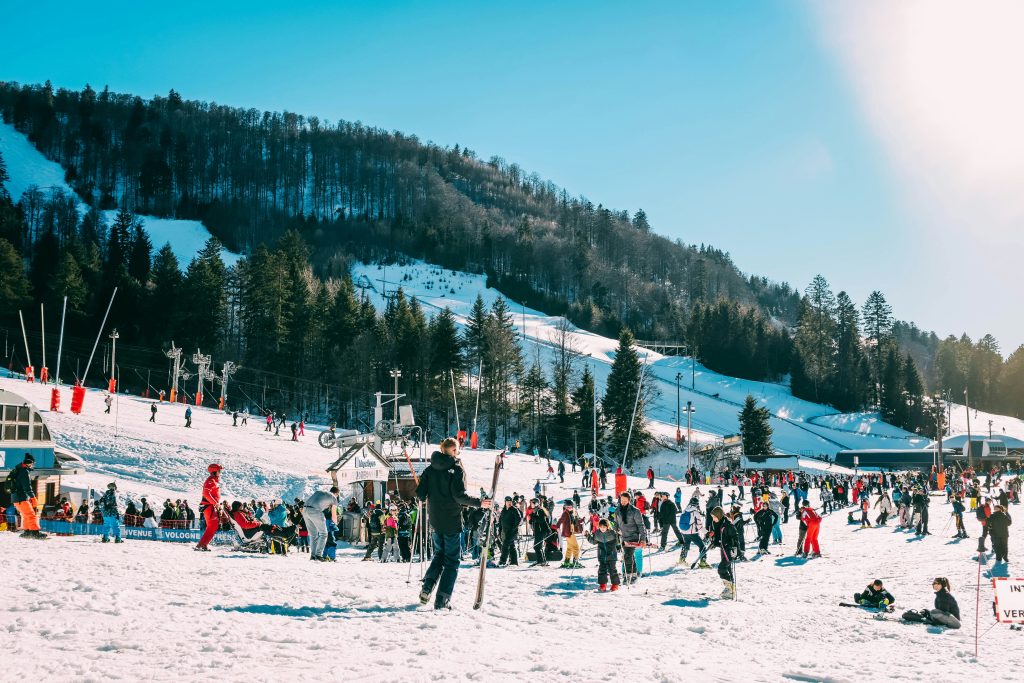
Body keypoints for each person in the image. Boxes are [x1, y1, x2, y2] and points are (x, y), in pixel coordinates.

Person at [416, 438, 491, 610]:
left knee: (439, 555)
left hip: (435, 519)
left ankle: (427, 587)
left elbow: (420, 493)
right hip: (451, 519)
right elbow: (459, 496)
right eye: (458, 448)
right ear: (453, 450)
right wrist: (480, 503)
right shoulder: (456, 469)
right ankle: (442, 600)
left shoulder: (429, 469)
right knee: (451, 561)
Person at [614, 491, 647, 584]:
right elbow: (616, 523)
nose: (623, 502)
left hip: (633, 536)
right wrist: (616, 530)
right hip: (623, 537)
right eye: (621, 500)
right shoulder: (617, 510)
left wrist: (643, 539)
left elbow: (641, 525)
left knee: (627, 556)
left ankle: (628, 576)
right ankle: (634, 574)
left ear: (629, 500)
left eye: (625, 500)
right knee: (630, 556)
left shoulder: (635, 511)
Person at [10, 454, 46, 539]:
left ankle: (27, 531)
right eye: (32, 463)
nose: (33, 465)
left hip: (16, 498)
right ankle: (35, 532)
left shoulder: (18, 469)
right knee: (31, 515)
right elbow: (27, 487)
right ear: (29, 463)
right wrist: (33, 497)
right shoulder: (24, 471)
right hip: (21, 497)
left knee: (26, 515)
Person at [708, 506, 738, 599]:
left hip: (729, 550)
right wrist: (713, 541)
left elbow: (735, 537)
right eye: (712, 517)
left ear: (719, 515)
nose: (713, 519)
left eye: (714, 517)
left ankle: (730, 589)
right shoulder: (716, 524)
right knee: (727, 569)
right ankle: (731, 591)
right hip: (723, 549)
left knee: (721, 568)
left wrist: (735, 549)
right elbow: (717, 537)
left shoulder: (727, 525)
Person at [303, 487, 339, 561]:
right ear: (336, 494)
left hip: (305, 510)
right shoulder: (333, 497)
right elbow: (334, 515)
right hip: (315, 510)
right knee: (324, 534)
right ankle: (318, 555)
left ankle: (313, 556)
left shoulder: (320, 492)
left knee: (313, 535)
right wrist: (336, 524)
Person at [586, 518, 621, 592]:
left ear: (607, 526)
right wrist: (587, 535)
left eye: (604, 527)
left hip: (611, 555)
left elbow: (617, 542)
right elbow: (593, 541)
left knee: (612, 570)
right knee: (602, 570)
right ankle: (603, 585)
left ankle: (615, 585)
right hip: (602, 555)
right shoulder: (597, 533)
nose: (602, 528)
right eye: (601, 527)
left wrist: (619, 535)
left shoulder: (612, 533)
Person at [195, 464, 222, 551]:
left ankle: (203, 544)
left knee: (212, 526)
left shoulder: (213, 480)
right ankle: (201, 545)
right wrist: (215, 503)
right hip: (209, 506)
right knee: (212, 526)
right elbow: (206, 494)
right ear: (214, 471)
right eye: (219, 471)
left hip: (211, 506)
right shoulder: (211, 480)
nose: (220, 472)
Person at [678, 496, 710, 567]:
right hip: (692, 533)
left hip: (684, 532)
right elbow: (699, 526)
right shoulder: (695, 512)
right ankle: (703, 563)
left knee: (686, 545)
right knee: (702, 546)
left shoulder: (685, 510)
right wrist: (706, 533)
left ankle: (681, 559)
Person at [557, 501, 583, 568]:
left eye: (571, 507)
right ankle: (575, 562)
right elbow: (560, 520)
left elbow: (575, 521)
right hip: (569, 533)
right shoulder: (565, 513)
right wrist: (557, 526)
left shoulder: (572, 512)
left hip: (569, 532)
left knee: (570, 548)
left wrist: (581, 520)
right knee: (576, 547)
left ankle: (566, 562)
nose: (570, 508)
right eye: (568, 507)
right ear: (565, 507)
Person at [498, 496, 523, 566]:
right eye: (507, 502)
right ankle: (514, 561)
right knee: (511, 546)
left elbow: (518, 519)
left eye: (510, 502)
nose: (509, 503)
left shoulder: (514, 509)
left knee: (505, 545)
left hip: (512, 531)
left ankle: (502, 561)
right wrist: (500, 530)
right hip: (505, 531)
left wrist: (513, 528)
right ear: (505, 502)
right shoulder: (504, 510)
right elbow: (501, 521)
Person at [530, 500, 551, 566]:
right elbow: (534, 520)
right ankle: (542, 560)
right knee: (538, 546)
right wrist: (531, 520)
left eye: (532, 503)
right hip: (538, 531)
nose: (531, 504)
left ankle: (540, 561)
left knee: (537, 546)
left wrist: (533, 517)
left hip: (541, 531)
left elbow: (541, 520)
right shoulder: (536, 510)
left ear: (536, 504)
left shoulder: (540, 511)